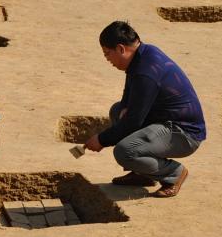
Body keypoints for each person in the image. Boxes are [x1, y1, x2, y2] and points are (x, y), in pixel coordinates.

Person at [84, 21, 206, 198]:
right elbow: (129, 93)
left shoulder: (146, 71)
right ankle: (142, 173)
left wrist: (101, 140)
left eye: (107, 54)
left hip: (185, 133)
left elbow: (133, 121)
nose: (107, 59)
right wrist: (125, 107)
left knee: (125, 151)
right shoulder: (144, 54)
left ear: (121, 49)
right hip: (165, 120)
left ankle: (174, 173)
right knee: (117, 110)